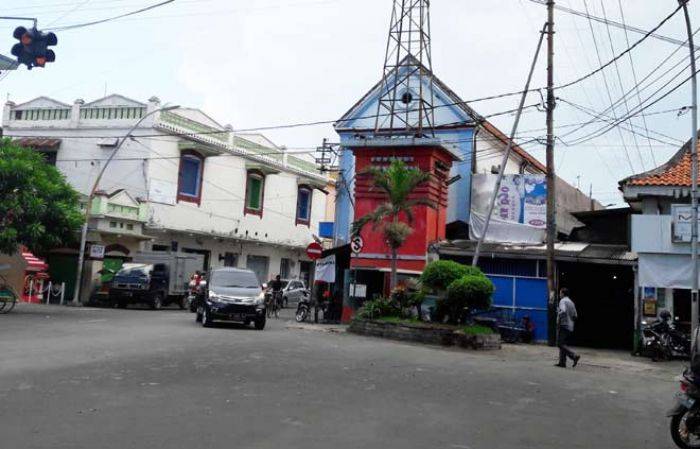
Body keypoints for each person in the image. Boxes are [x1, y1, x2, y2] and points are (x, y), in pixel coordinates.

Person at [555, 288, 581, 368]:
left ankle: (574, 355)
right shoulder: (571, 302)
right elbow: (575, 316)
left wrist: (558, 313)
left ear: (562, 293)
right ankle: (562, 363)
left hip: (564, 325)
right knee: (563, 344)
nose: (559, 295)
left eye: (560, 293)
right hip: (570, 326)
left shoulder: (563, 301)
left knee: (559, 344)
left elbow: (563, 311)